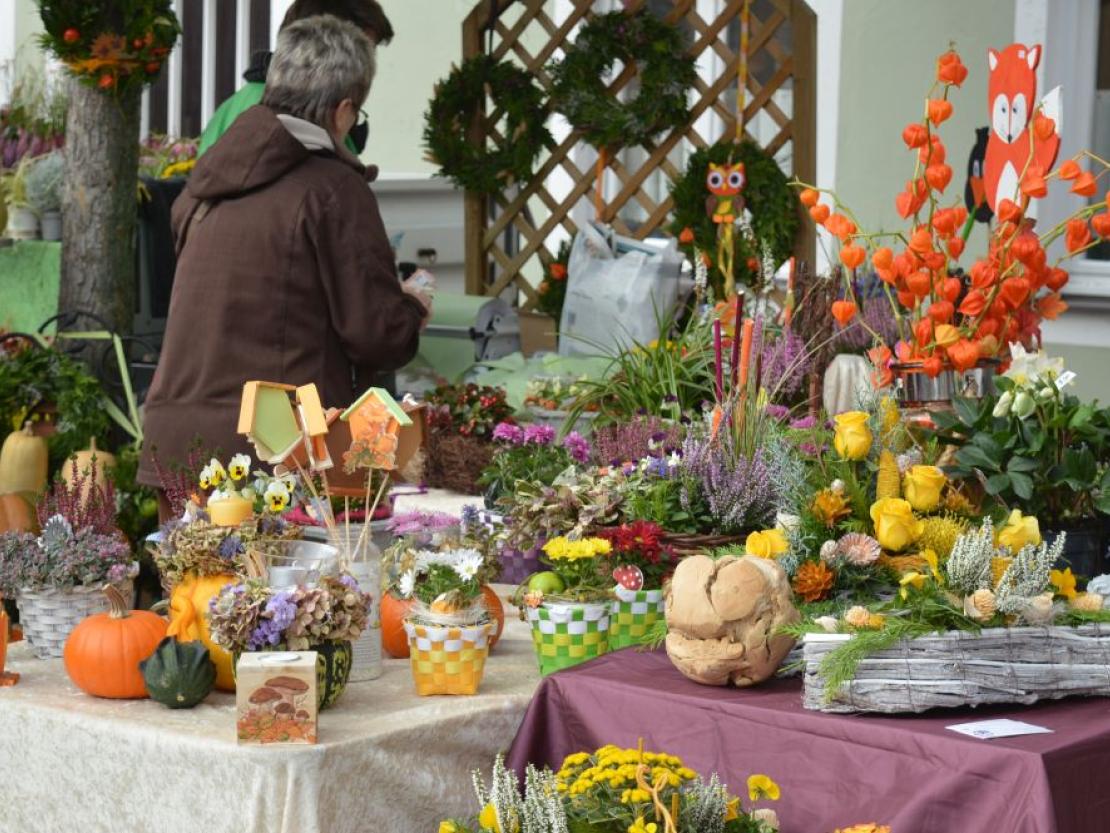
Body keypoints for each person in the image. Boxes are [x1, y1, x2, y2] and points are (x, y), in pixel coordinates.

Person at [137, 15, 430, 506]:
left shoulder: (203, 188)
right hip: (272, 453)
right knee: (277, 586)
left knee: (190, 586)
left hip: (176, 446)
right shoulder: (334, 189)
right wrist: (414, 304)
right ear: (343, 112)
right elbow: (376, 336)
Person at [197, 0, 394, 157]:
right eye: (362, 50)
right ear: (322, 45)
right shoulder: (285, 113)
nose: (367, 66)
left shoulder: (247, 102)